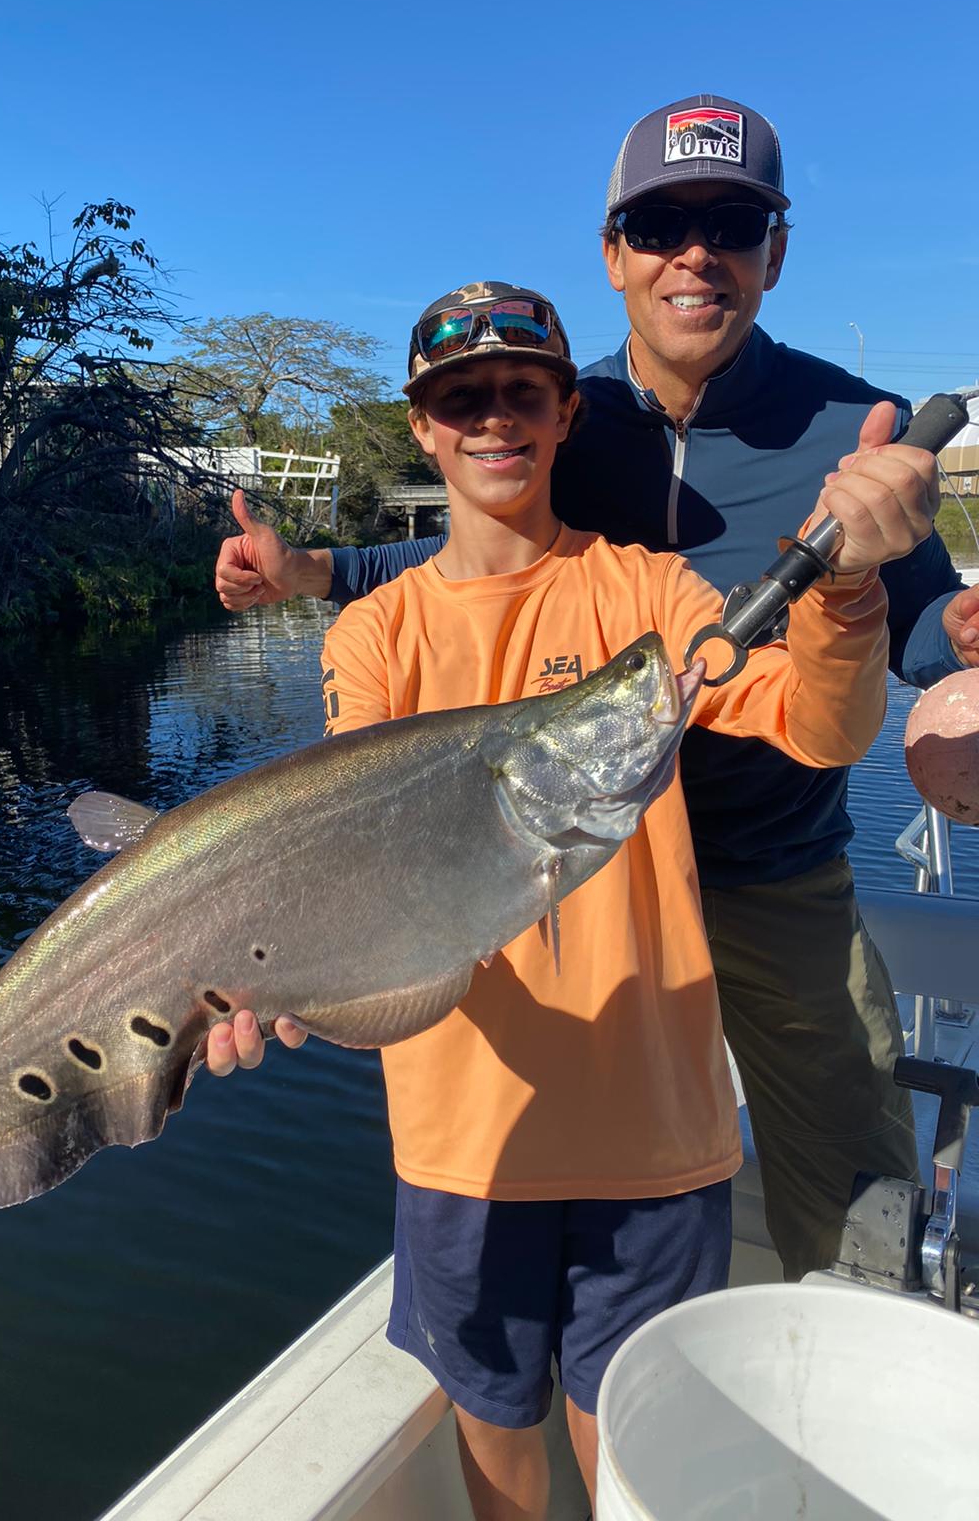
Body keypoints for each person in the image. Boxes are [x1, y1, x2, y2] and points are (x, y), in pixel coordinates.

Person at [214, 94, 979, 1282]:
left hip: (778, 868)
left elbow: (918, 624)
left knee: (849, 1177)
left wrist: (959, 644)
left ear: (774, 252)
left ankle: (845, 1387)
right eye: (662, 221)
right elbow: (474, 557)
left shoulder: (851, 423)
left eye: (732, 221)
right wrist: (313, 570)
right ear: (615, 250)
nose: (697, 252)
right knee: (589, 1190)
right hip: (592, 871)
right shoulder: (573, 408)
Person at [208, 278, 936, 1521]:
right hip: (463, 1139)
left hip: (655, 1129)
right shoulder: (373, 634)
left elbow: (820, 726)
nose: (495, 419)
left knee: (635, 1449)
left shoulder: (649, 599)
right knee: (497, 1441)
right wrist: (268, 977)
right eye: (462, 398)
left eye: (524, 393)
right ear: (424, 426)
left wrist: (853, 590)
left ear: (562, 418)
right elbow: (347, 858)